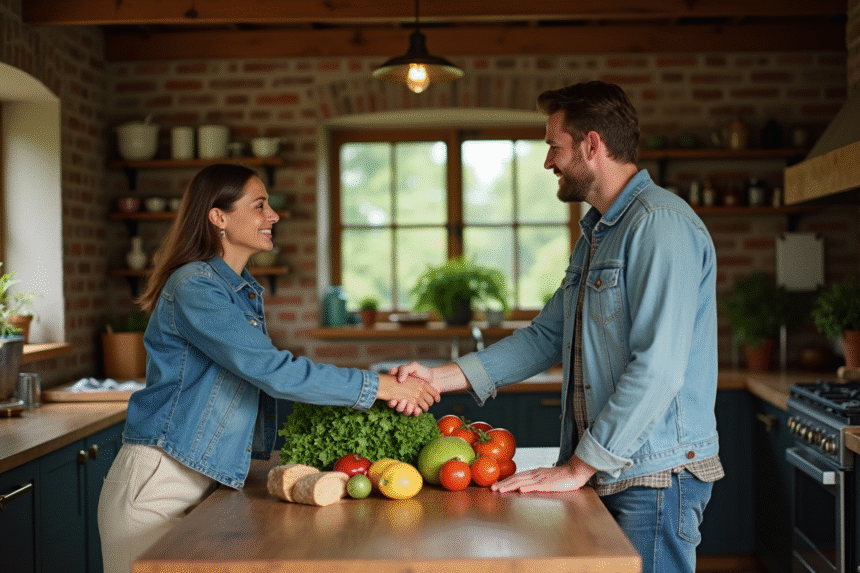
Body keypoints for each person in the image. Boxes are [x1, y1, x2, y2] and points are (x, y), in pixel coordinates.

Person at [392, 81, 723, 573]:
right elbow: (545, 337)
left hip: (654, 474)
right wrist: (436, 379)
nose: (548, 161)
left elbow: (658, 368)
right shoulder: (598, 233)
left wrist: (578, 467)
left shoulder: (658, 225)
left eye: (553, 146)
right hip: (611, 468)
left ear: (593, 145)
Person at [98, 163, 439, 573]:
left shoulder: (236, 291)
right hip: (159, 484)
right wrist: (379, 386)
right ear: (218, 217)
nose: (272, 216)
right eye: (260, 206)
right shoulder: (196, 287)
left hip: (204, 478)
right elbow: (272, 371)